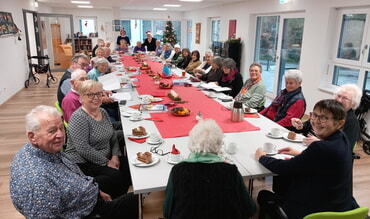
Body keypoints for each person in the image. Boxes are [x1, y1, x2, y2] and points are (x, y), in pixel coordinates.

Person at [10, 105, 138, 219]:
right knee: (136, 201)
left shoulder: (48, 149)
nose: (60, 135)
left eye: (61, 128)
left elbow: (74, 174)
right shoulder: (37, 182)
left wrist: (97, 191)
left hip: (87, 197)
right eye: (52, 131)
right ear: (32, 136)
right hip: (87, 212)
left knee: (121, 177)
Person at [255, 99, 357, 219]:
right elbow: (326, 161)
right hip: (340, 205)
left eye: (324, 118)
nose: (316, 121)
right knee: (284, 183)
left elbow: (284, 167)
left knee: (263, 195)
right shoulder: (342, 139)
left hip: (315, 211)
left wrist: (261, 157)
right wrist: (300, 154)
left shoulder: (321, 147)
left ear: (339, 123)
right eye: (315, 115)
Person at [163, 119, 256, 219]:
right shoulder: (231, 171)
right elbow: (249, 209)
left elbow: (167, 212)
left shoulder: (178, 171)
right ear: (220, 144)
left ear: (191, 143)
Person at [65, 80, 131, 198]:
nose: (96, 98)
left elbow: (113, 136)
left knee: (129, 167)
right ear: (81, 98)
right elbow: (83, 149)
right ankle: (113, 203)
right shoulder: (79, 118)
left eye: (99, 94)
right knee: (116, 176)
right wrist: (107, 162)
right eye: (90, 94)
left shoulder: (103, 112)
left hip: (105, 155)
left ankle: (121, 199)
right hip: (84, 161)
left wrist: (115, 156)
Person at [291, 83, 362, 148]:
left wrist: (320, 143)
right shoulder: (327, 109)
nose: (339, 100)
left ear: (353, 104)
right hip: (304, 145)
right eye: (338, 96)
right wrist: (301, 125)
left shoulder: (351, 122)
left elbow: (345, 148)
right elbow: (308, 125)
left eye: (345, 98)